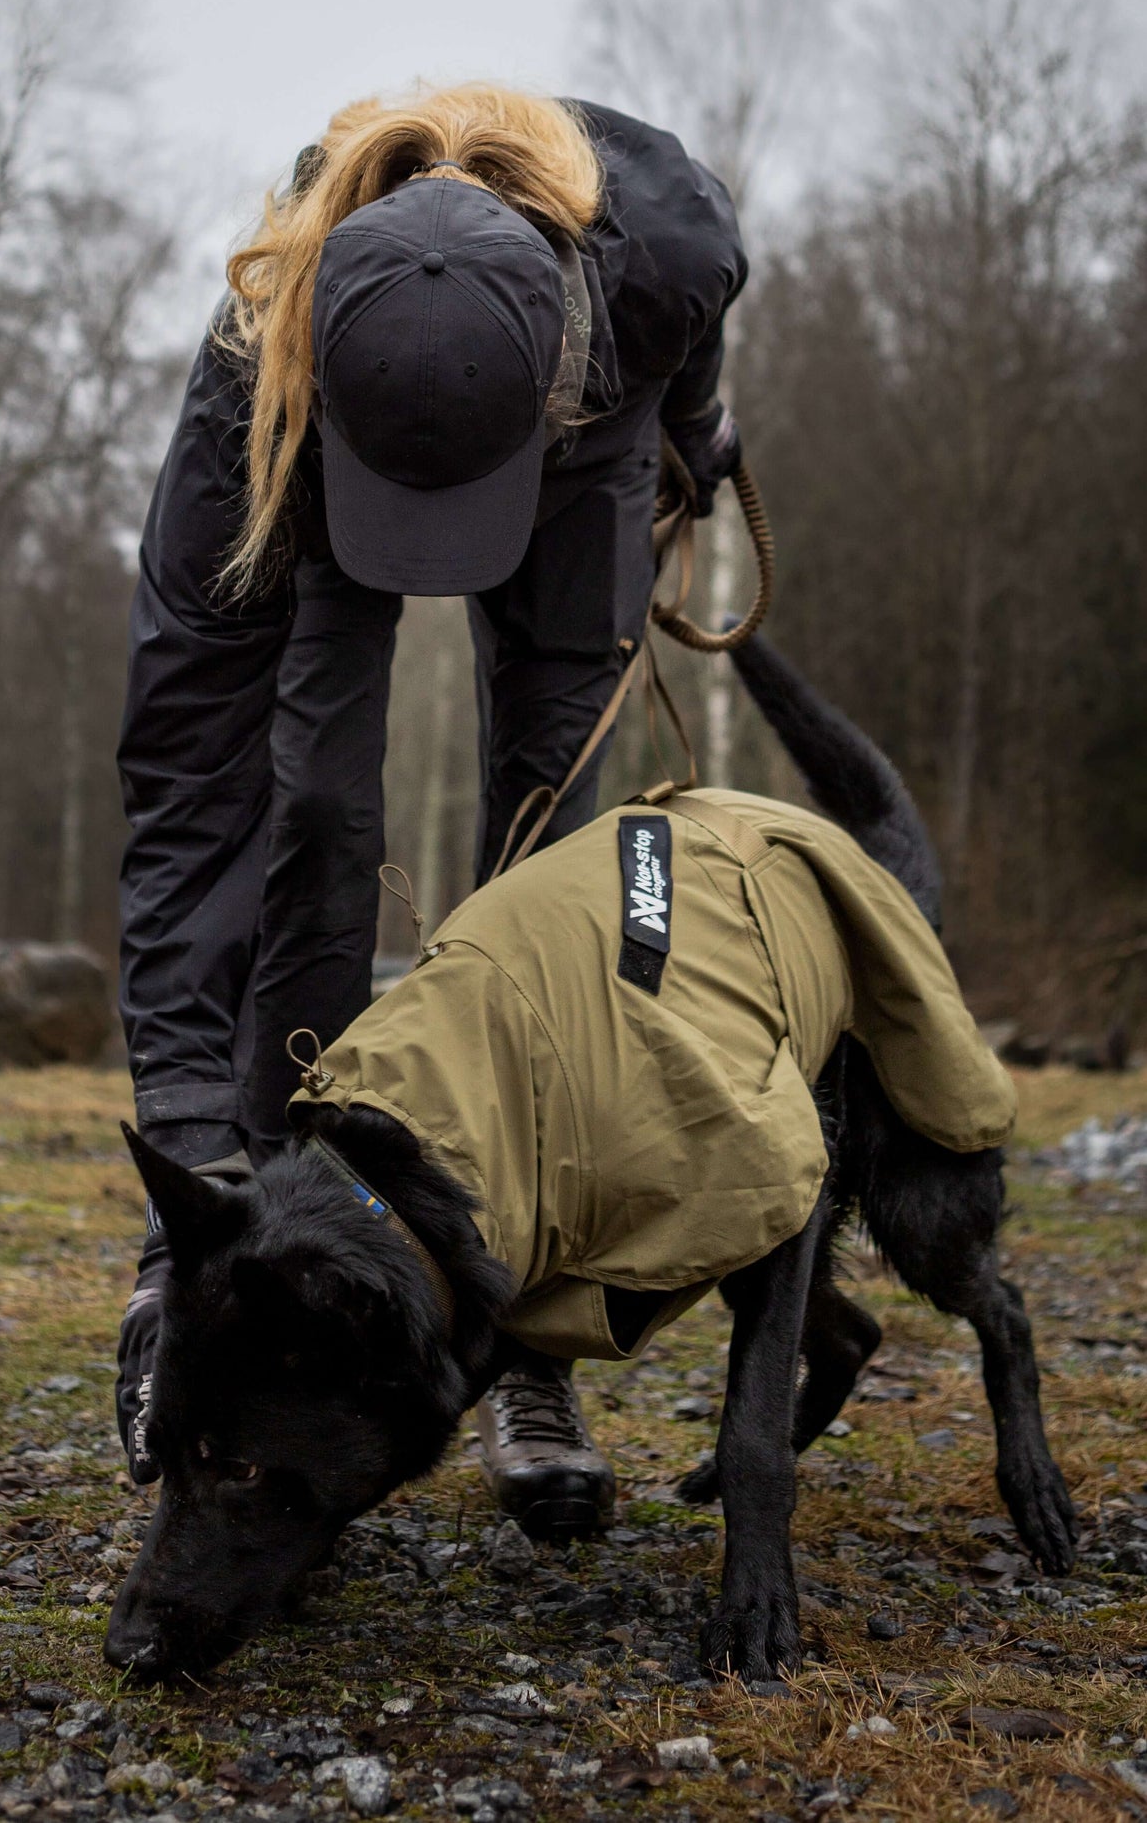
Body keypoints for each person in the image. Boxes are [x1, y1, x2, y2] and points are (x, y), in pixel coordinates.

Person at [115, 84, 746, 1538]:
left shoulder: (666, 256)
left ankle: (526, 1344)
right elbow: (185, 780)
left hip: (582, 439)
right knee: (314, 818)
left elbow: (699, 351)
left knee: (558, 856)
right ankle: (261, 1249)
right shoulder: (258, 360)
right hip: (328, 463)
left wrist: (694, 433)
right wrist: (188, 1173)